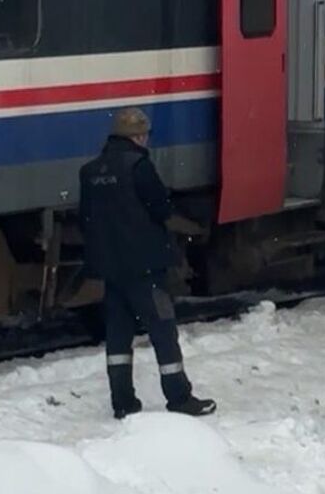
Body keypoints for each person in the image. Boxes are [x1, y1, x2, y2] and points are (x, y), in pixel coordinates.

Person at [78, 107, 215, 419]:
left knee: (118, 336)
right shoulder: (138, 166)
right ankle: (179, 397)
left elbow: (85, 220)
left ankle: (123, 402)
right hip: (144, 268)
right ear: (139, 136)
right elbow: (161, 210)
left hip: (111, 270)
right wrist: (194, 229)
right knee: (163, 331)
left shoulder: (90, 171)